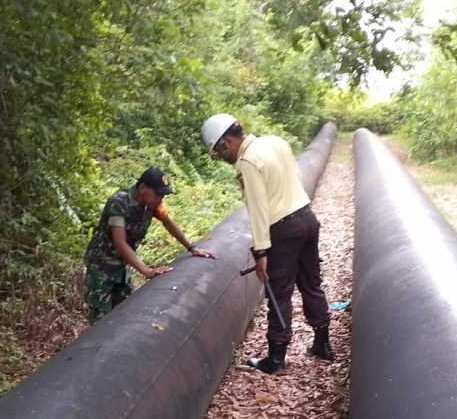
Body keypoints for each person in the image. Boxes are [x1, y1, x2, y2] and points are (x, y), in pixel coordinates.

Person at [200, 114, 335, 374]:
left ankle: (275, 358)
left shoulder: (247, 161)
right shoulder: (274, 142)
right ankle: (323, 344)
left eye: (218, 152)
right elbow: (293, 177)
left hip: (283, 229)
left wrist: (261, 251)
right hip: (307, 219)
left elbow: (259, 209)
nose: (221, 158)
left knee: (279, 292)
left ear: (226, 142)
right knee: (311, 283)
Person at [83, 167, 215, 324]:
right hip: (101, 265)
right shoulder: (119, 202)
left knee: (122, 311)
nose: (160, 198)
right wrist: (147, 271)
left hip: (122, 265)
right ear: (142, 188)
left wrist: (192, 248)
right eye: (157, 194)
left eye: (162, 195)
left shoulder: (152, 205)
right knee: (101, 317)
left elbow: (167, 222)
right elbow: (119, 242)